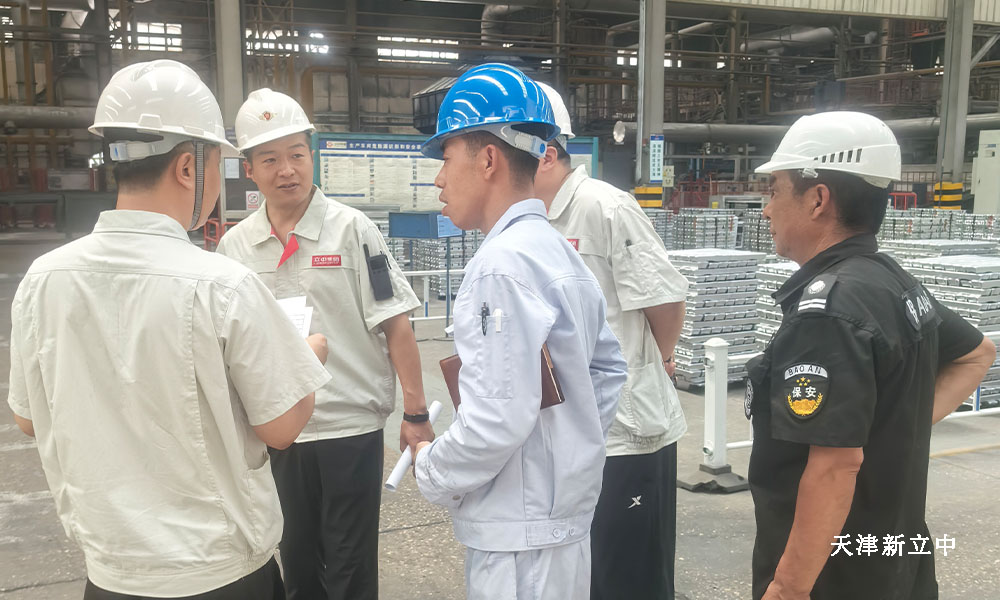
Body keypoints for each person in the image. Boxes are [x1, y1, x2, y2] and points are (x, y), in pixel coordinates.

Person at [6, 60, 331, 599]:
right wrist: (310, 354)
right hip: (219, 575)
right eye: (215, 164)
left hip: (110, 575)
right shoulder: (222, 284)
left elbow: (26, 417)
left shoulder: (44, 278)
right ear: (187, 167)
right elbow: (280, 429)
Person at [746, 110, 996, 600]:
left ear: (818, 199)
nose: (766, 210)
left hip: (835, 577)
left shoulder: (828, 312)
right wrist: (890, 430)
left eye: (774, 191)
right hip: (894, 561)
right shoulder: (890, 280)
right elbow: (976, 354)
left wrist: (789, 587)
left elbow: (834, 467)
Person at [412, 62, 628, 600]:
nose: (438, 178)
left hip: (520, 541)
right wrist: (568, 454)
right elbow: (607, 372)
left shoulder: (500, 266)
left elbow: (496, 419)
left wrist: (430, 466)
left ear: (487, 159)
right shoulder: (555, 251)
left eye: (446, 157)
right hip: (557, 523)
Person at [215, 88, 428, 600]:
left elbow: (396, 324)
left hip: (349, 427)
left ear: (311, 155)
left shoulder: (353, 230)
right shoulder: (234, 247)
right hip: (278, 431)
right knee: (297, 564)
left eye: (296, 154)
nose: (287, 170)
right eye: (270, 159)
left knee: (351, 567)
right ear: (250, 169)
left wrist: (416, 413)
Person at [533, 81, 689, 600]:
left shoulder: (605, 208)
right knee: (585, 574)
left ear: (547, 153)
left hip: (625, 432)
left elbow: (664, 299)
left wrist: (659, 358)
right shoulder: (526, 220)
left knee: (629, 574)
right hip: (562, 429)